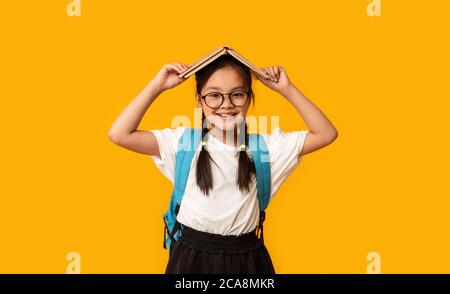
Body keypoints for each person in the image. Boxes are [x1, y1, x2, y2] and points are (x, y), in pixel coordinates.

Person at [108, 54, 338, 274]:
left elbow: (326, 133)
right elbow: (120, 134)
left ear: (250, 97)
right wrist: (157, 85)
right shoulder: (182, 144)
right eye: (214, 95)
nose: (226, 104)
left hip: (247, 261)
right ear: (199, 100)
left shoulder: (267, 150)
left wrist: (287, 89)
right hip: (190, 258)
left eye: (237, 94)